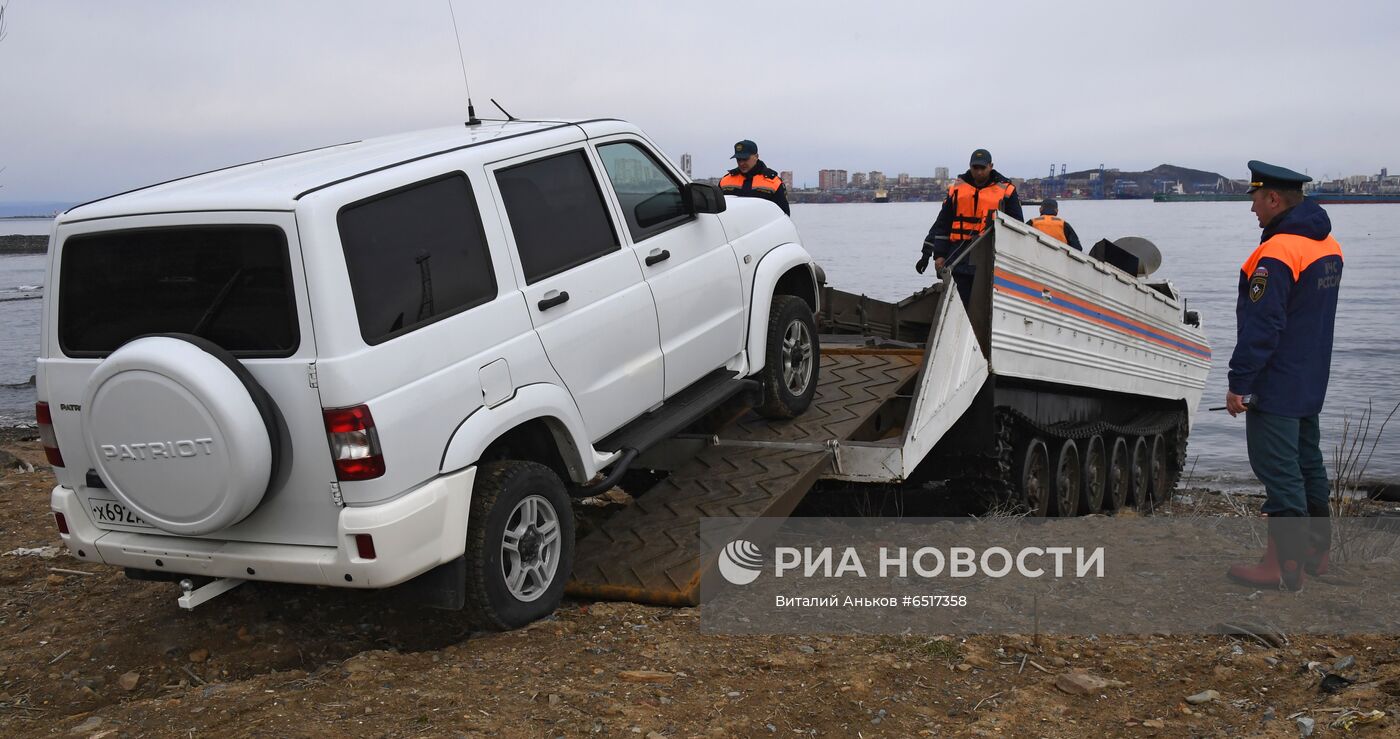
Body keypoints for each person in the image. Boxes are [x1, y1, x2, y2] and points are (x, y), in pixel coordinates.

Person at [1225, 160, 1343, 592]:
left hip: (1277, 380)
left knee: (1279, 472)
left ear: (1274, 198)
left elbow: (1264, 325)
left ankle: (1282, 567)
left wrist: (1240, 383)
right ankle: (1316, 552)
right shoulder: (1327, 244)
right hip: (1312, 375)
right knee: (1308, 463)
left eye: (1255, 199)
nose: (1252, 208)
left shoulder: (1276, 253)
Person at [917, 148, 1023, 304]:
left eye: (982, 168)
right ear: (970, 166)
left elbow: (1017, 226)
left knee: (984, 303)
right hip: (958, 256)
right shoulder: (957, 190)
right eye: (975, 168)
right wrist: (936, 254)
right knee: (957, 301)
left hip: (990, 256)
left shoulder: (1006, 190)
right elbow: (942, 224)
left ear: (991, 166)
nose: (979, 172)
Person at [719, 140, 790, 215]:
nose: (741, 163)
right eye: (738, 159)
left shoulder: (774, 182)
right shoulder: (725, 181)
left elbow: (784, 216)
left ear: (756, 156)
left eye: (745, 159)